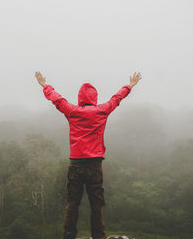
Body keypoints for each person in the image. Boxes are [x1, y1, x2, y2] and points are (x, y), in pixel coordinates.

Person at [35, 71, 142, 239]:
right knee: (96, 204)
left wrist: (44, 85)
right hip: (95, 165)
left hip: (76, 165)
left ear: (80, 98)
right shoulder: (102, 111)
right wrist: (130, 85)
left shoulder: (72, 111)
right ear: (94, 98)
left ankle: (69, 235)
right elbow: (116, 98)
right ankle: (98, 236)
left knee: (72, 202)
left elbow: (58, 99)